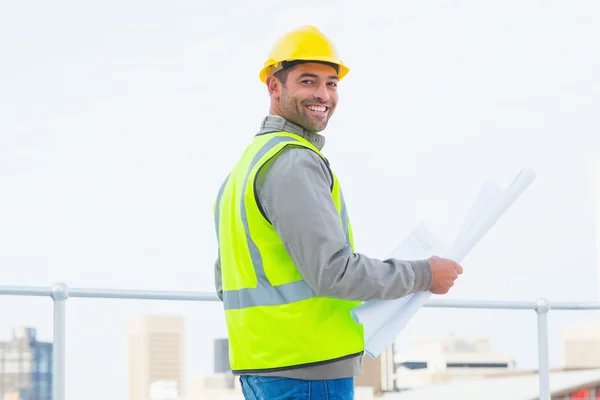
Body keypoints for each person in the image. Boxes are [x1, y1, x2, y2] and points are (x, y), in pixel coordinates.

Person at [213, 25, 463, 400]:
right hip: (309, 373)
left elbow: (224, 281)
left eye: (331, 84)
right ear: (274, 87)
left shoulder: (243, 169)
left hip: (263, 368)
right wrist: (425, 273)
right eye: (308, 81)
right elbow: (334, 272)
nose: (323, 94)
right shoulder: (293, 162)